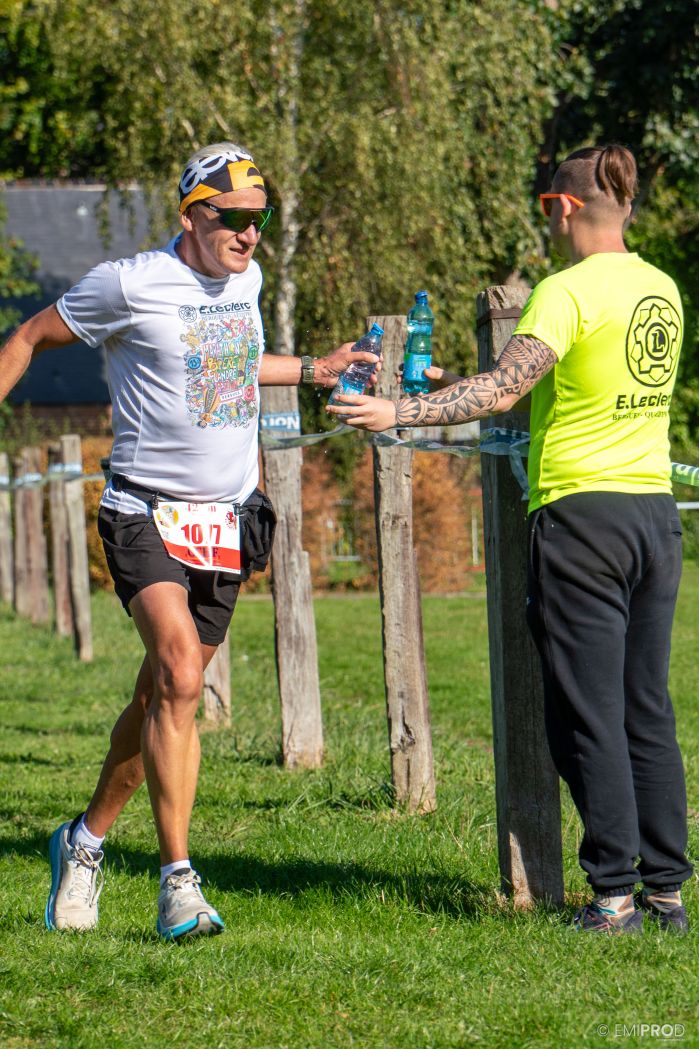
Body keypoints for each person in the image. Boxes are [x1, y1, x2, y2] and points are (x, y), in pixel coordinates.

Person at [0, 141, 380, 941]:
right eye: (233, 219)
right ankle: (179, 882)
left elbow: (230, 366)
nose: (250, 236)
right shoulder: (130, 284)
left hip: (225, 517)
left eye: (260, 219)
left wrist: (317, 367)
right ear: (192, 215)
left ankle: (84, 839)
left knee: (159, 698)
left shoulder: (249, 278)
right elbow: (32, 334)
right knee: (179, 675)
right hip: (142, 510)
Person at [329, 144, 692, 934]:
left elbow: (505, 387)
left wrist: (399, 412)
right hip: (653, 518)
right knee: (645, 708)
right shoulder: (661, 288)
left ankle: (612, 898)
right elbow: (586, 383)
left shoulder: (564, 292)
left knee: (587, 714)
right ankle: (667, 892)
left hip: (581, 521)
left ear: (562, 208)